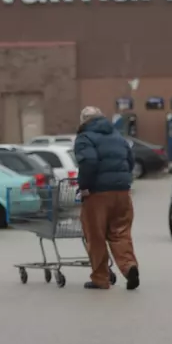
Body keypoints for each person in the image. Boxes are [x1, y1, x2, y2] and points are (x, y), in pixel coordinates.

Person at [73, 106, 140, 290]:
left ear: (83, 120)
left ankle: (100, 278)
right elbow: (130, 160)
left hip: (98, 195)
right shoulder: (117, 137)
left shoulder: (85, 137)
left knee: (96, 236)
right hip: (122, 193)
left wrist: (85, 187)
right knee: (120, 233)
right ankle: (129, 267)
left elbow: (89, 162)